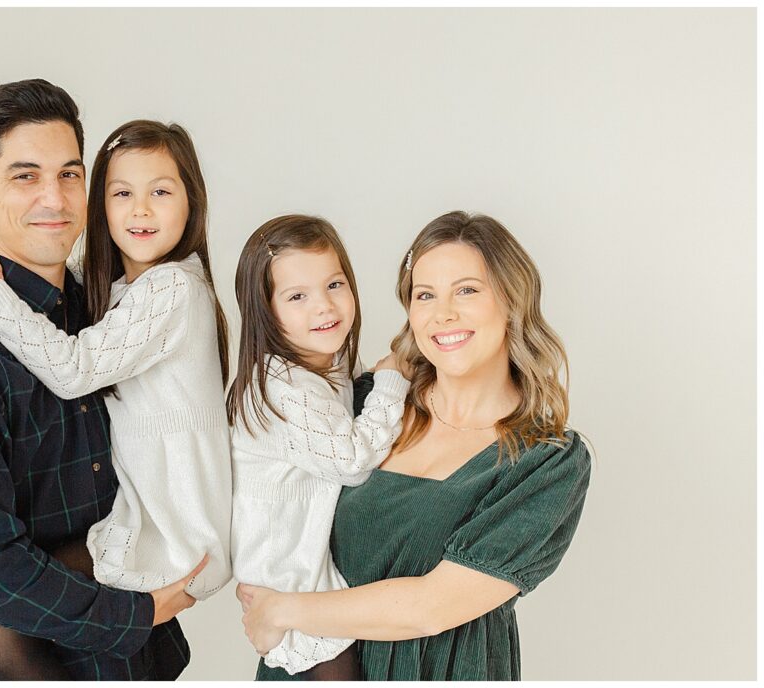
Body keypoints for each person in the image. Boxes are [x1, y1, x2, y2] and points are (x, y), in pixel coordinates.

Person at [0, 79, 203, 681]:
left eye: (69, 174)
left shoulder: (107, 316)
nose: (55, 199)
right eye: (24, 176)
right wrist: (135, 614)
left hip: (128, 665)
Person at [238, 211, 592, 681]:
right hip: (309, 669)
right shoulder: (367, 405)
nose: (443, 314)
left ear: (511, 300)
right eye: (425, 295)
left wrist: (283, 611)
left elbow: (431, 606)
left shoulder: (545, 461)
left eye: (466, 290)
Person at [227, 215, 411, 680]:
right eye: (297, 296)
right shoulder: (285, 389)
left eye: (334, 284)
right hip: (290, 579)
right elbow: (351, 461)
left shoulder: (317, 368)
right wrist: (391, 382)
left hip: (295, 571)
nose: (324, 307)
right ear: (265, 311)